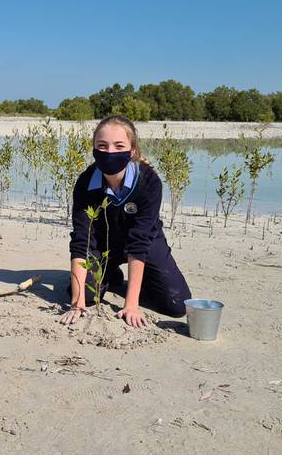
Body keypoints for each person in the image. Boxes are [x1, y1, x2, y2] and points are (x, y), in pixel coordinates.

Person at [60, 115, 191, 327]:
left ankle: (143, 278)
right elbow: (81, 241)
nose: (110, 152)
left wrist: (131, 304)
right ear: (94, 148)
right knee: (84, 295)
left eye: (118, 145)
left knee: (176, 305)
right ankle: (111, 273)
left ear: (132, 150)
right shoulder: (86, 182)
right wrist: (77, 303)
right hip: (103, 246)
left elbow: (139, 241)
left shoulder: (149, 181)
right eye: (102, 146)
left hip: (146, 244)